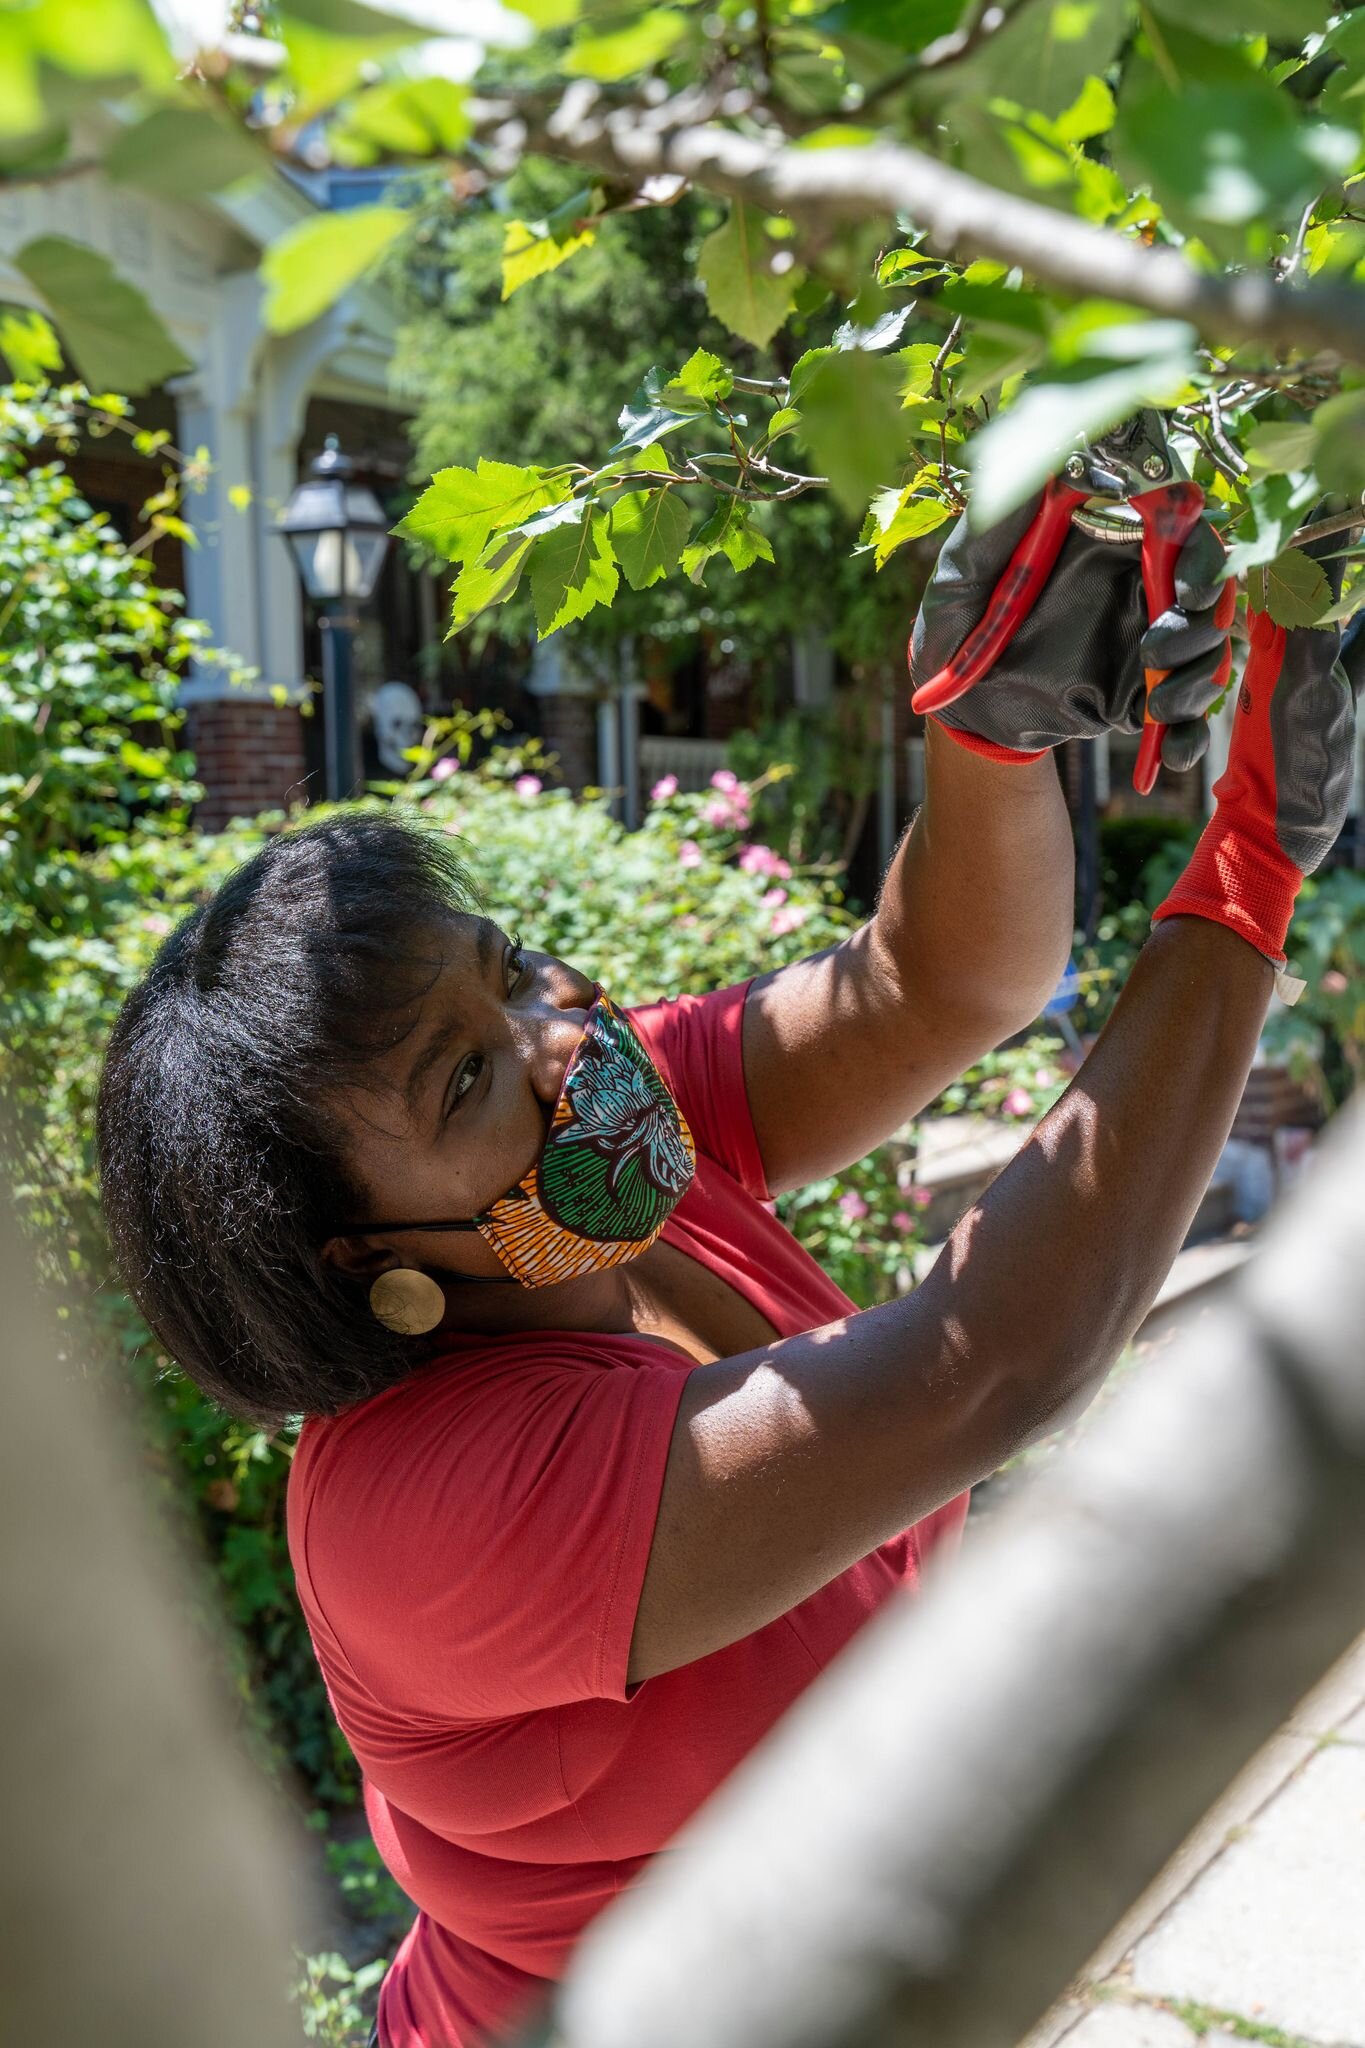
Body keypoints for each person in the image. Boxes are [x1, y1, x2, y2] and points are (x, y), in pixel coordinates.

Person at [95, 496, 1359, 2048]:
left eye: (509, 971)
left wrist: (990, 731)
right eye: (463, 1080)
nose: (562, 1041)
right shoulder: (419, 1510)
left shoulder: (611, 1175)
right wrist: (1245, 867)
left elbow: (934, 981)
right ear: (362, 1261)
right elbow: (993, 1359)